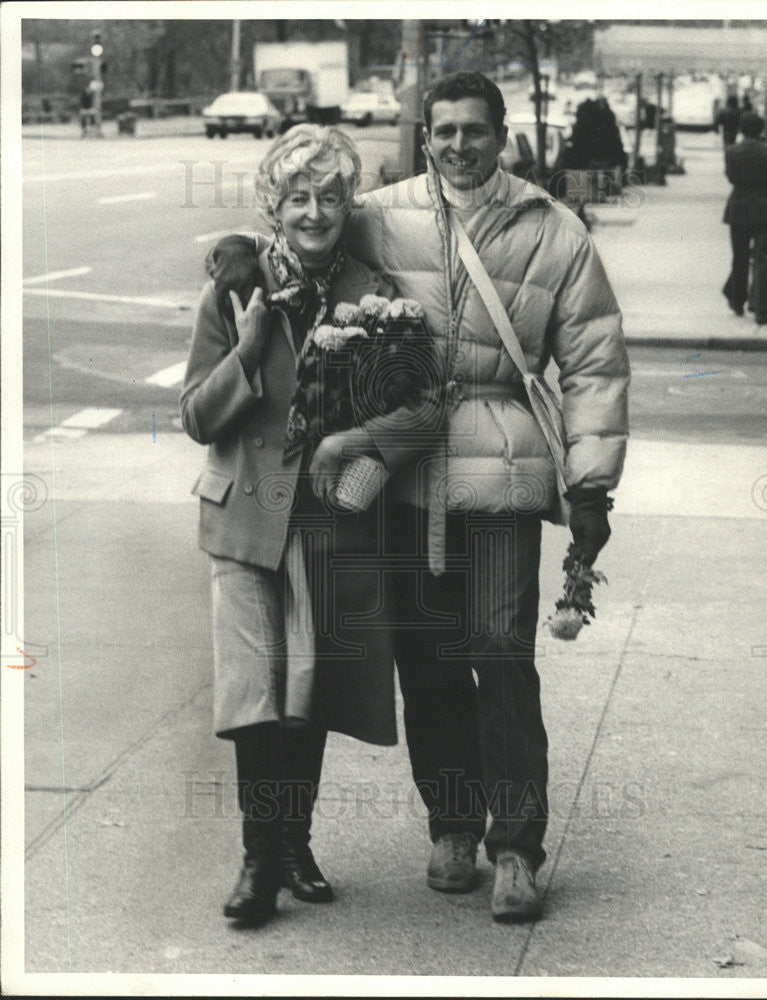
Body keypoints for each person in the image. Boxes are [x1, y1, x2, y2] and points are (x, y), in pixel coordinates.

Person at [347, 70, 630, 923]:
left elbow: (592, 360)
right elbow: (305, 244)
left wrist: (592, 486)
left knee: (502, 653)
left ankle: (517, 847)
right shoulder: (378, 214)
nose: (459, 145)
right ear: (424, 137)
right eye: (444, 131)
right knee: (426, 661)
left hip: (504, 467)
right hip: (404, 468)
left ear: (502, 134)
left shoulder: (554, 230)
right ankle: (452, 826)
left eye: (475, 130)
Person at [180, 124, 437, 926]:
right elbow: (194, 415)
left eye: (330, 197)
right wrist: (249, 349)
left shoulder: (377, 292)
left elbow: (423, 409)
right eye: (299, 198)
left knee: (308, 693)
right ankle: (259, 861)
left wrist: (357, 442)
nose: (316, 213)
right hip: (245, 520)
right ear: (274, 204)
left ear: (348, 204)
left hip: (332, 521)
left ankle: (296, 842)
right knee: (254, 694)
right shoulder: (235, 289)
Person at [722, 111, 767, 324]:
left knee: (740, 257)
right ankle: (762, 308)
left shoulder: (732, 151)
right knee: (763, 259)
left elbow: (732, 177)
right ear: (761, 129)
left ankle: (737, 299)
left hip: (739, 208)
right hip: (765, 210)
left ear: (742, 129)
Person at [715, 95, 741, 168]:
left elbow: (717, 121)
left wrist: (716, 130)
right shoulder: (738, 111)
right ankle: (732, 163)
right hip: (734, 132)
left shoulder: (724, 111)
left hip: (726, 131)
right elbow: (740, 122)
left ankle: (727, 164)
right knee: (733, 145)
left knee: (726, 147)